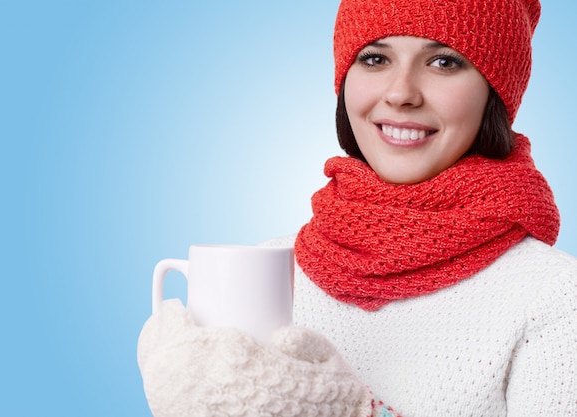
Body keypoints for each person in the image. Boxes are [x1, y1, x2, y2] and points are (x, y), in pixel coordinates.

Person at [138, 0, 577, 416]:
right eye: (375, 59)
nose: (401, 93)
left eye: (444, 62)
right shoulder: (272, 267)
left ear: (495, 92)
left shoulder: (553, 296)